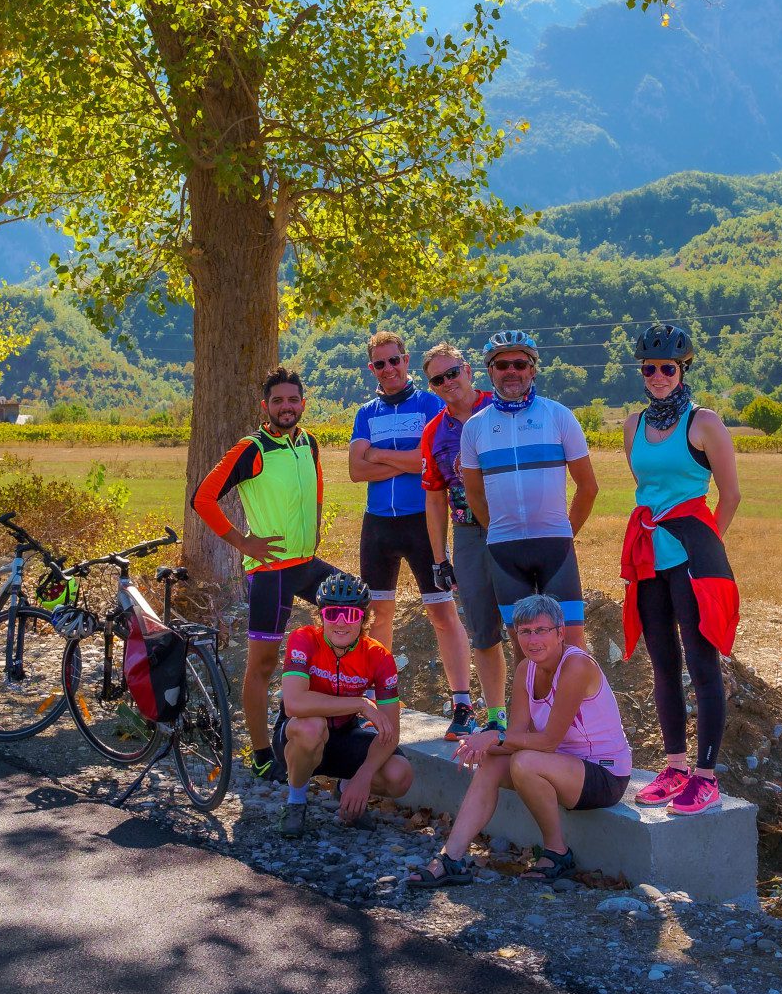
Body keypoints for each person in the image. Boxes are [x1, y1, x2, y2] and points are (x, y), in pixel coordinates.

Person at [405, 594, 631, 887]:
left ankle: (557, 852)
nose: (533, 639)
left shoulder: (576, 666)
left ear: (561, 633)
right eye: (525, 632)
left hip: (605, 774)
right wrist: (480, 744)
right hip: (561, 767)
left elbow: (547, 741)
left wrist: (493, 736)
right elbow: (519, 734)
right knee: (493, 762)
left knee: (524, 762)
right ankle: (451, 857)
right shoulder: (526, 668)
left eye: (542, 630)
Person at [192, 366, 340, 783]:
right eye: (278, 401)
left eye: (293, 400)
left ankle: (316, 718)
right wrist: (243, 543)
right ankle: (259, 753)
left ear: (303, 404)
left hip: (305, 565)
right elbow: (202, 498)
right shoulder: (251, 447)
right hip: (270, 571)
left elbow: (315, 494)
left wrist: (311, 538)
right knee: (261, 664)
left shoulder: (309, 443)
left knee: (352, 604)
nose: (286, 407)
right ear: (266, 406)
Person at [620, 322, 742, 816]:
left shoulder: (704, 423)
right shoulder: (632, 425)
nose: (657, 377)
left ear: (683, 369)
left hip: (692, 555)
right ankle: (674, 766)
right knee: (662, 664)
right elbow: (646, 487)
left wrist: (705, 545)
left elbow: (729, 495)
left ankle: (706, 776)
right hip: (650, 556)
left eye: (667, 368)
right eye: (649, 368)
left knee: (702, 664)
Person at [347, 330, 477, 740]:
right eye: (380, 364)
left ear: (406, 360)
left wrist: (379, 455)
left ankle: (462, 702)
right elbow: (356, 471)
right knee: (378, 615)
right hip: (377, 524)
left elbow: (430, 460)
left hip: (423, 521)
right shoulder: (365, 411)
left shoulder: (430, 402)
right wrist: (406, 461)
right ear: (372, 370)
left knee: (442, 613)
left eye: (395, 360)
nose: (389, 369)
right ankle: (384, 698)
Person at [458, 330, 598, 651]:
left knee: (571, 647)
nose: (512, 371)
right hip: (505, 552)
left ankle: (574, 704)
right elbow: (475, 494)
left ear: (532, 369)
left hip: (555, 549)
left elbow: (588, 487)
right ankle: (531, 703)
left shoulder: (558, 416)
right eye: (502, 364)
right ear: (490, 371)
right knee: (525, 651)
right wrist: (495, 530)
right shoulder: (475, 427)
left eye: (520, 364)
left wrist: (565, 532)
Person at [275, 572, 416, 837]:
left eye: (350, 615)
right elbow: (294, 703)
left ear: (363, 619)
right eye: (332, 614)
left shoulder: (378, 656)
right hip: (298, 737)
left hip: (345, 735)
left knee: (400, 775)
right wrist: (360, 703)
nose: (341, 623)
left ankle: (345, 787)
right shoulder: (304, 639)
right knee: (311, 727)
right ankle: (296, 801)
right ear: (321, 617)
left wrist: (363, 775)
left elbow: (391, 731)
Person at [418, 341, 508, 734]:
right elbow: (434, 498)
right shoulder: (434, 432)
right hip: (469, 530)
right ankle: (496, 717)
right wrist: (440, 558)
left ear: (469, 370)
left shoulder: (503, 404)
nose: (448, 382)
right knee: (483, 630)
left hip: (513, 524)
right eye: (438, 379)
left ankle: (536, 715)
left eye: (453, 372)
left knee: (527, 622)